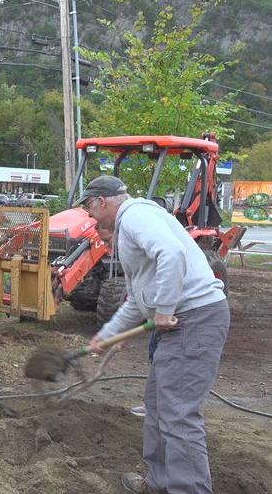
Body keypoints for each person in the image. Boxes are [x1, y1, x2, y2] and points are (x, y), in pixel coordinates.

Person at [81, 175, 229, 494]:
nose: (90, 216)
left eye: (89, 208)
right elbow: (137, 298)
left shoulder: (136, 216)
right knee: (158, 404)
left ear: (102, 202)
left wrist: (163, 307)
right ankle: (160, 482)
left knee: (177, 412)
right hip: (182, 322)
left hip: (194, 319)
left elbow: (172, 254)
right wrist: (111, 333)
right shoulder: (130, 226)